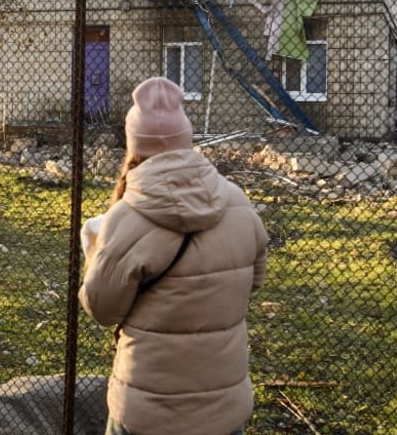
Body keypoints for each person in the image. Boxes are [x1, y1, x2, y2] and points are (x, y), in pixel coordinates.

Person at [79, 77, 270, 435]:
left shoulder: (126, 219)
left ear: (133, 147)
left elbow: (101, 309)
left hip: (146, 412)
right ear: (187, 140)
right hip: (223, 411)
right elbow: (252, 282)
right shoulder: (239, 205)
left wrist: (95, 252)